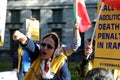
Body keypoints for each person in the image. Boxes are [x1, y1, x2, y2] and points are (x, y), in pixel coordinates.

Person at [12, 20, 81, 80]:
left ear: (56, 49)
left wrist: (76, 29)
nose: (45, 48)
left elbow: (66, 78)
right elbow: (31, 45)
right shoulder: (38, 52)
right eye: (43, 44)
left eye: (49, 46)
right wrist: (23, 37)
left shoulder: (60, 60)